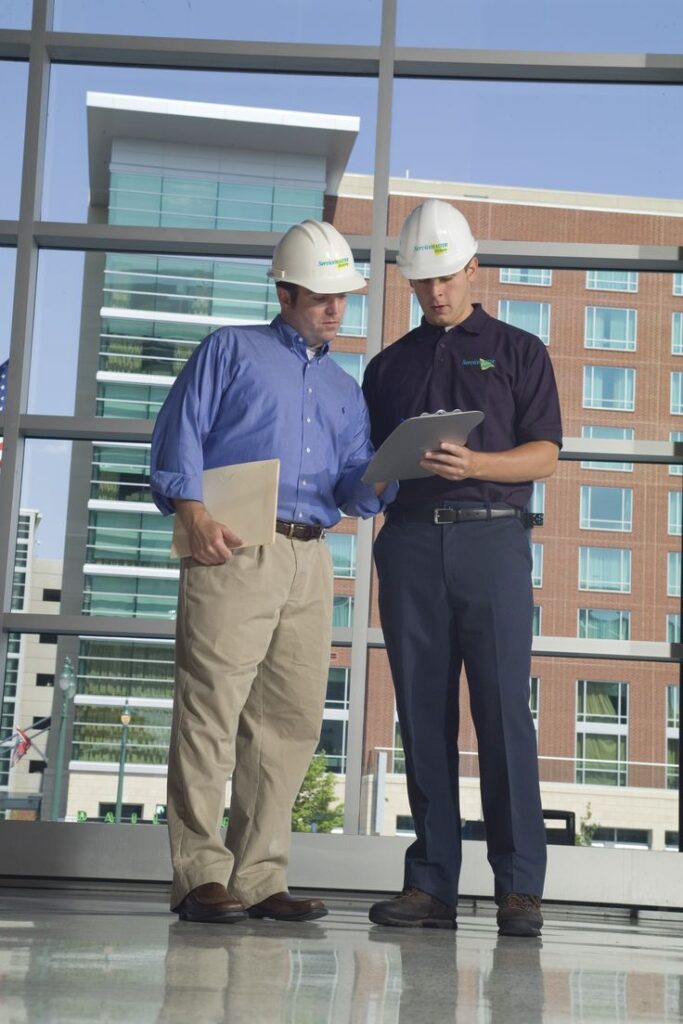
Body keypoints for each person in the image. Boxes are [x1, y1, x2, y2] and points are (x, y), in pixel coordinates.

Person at [151, 220, 394, 925]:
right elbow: (180, 433)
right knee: (210, 712)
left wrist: (386, 476)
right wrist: (192, 514)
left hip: (310, 557)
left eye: (341, 296)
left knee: (287, 720)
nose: (333, 308)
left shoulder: (347, 390)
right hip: (233, 543)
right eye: (319, 295)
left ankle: (259, 877)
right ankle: (199, 874)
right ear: (285, 291)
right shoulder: (230, 350)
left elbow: (354, 488)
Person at [362, 198, 562, 937]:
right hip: (410, 542)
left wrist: (475, 462)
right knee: (421, 714)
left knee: (503, 711)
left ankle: (518, 887)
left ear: (473, 268)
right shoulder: (387, 367)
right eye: (421, 282)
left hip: (491, 539)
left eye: (446, 277)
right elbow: (370, 467)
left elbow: (545, 452)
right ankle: (431, 885)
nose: (435, 293)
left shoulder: (518, 351)